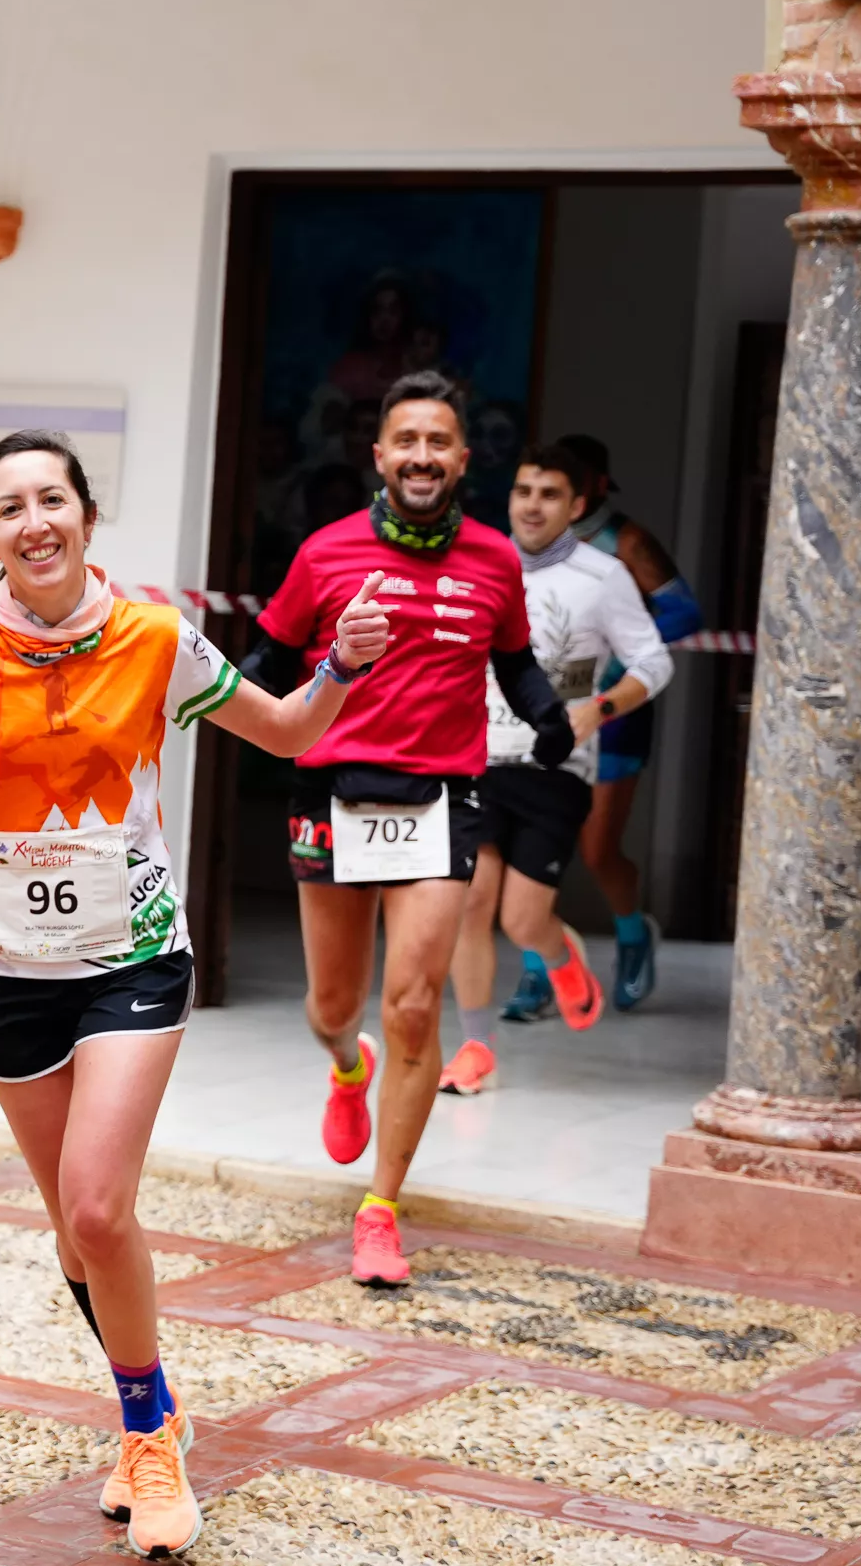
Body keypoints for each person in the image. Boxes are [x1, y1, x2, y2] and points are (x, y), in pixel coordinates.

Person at [0, 430, 395, 1561]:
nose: (35, 520)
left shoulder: (153, 639)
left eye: (54, 497)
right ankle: (154, 1396)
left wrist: (341, 661)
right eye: (10, 506)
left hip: (133, 958)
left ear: (88, 515)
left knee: (101, 1205)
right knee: (73, 1232)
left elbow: (289, 730)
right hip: (0, 976)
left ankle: (148, 1434)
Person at [243, 372, 569, 1288]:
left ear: (464, 459)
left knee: (416, 1003)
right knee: (333, 1009)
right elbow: (269, 653)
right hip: (333, 794)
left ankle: (381, 1208)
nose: (423, 457)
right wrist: (215, 697)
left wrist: (547, 717)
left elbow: (514, 663)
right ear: (379, 455)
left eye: (439, 443)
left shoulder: (497, 560)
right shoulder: (326, 552)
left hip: (439, 801)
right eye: (407, 442)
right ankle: (349, 1069)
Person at [439, 445, 673, 1095]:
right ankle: (476, 1049)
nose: (532, 505)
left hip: (556, 765)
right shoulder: (478, 564)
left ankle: (559, 954)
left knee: (520, 918)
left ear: (575, 507)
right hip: (475, 760)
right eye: (522, 491)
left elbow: (655, 664)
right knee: (471, 904)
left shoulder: (604, 577)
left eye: (548, 494)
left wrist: (597, 710)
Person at [502, 434, 701, 1015]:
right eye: (529, 489)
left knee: (595, 847)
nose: (541, 501)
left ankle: (632, 934)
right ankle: (538, 974)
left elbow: (686, 612)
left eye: (564, 486)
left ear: (587, 493)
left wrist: (616, 646)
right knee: (530, 849)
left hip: (611, 709)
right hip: (530, 720)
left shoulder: (626, 542)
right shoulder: (510, 552)